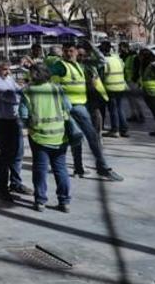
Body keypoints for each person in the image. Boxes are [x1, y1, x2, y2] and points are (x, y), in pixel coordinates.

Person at [50, 42, 124, 182]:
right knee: (89, 137)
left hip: (82, 105)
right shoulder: (60, 66)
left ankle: (79, 168)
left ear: (76, 52)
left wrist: (91, 46)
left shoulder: (79, 65)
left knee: (77, 137)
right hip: (72, 107)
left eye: (71, 50)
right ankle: (101, 168)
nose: (68, 53)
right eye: (65, 51)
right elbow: (52, 81)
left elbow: (101, 61)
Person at [19, 63, 73, 212]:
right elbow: (68, 107)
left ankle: (40, 201)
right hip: (60, 135)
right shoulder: (57, 88)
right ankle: (64, 202)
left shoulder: (28, 91)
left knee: (40, 169)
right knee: (60, 168)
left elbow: (23, 115)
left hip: (39, 136)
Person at [0, 55, 27, 201]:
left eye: (8, 69)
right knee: (6, 154)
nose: (7, 72)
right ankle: (2, 188)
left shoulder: (7, 77)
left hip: (13, 118)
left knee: (18, 152)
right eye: (4, 69)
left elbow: (17, 89)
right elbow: (10, 97)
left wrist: (21, 91)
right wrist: (23, 94)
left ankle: (16, 182)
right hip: (1, 120)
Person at [101, 41, 130, 137]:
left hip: (110, 88)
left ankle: (115, 130)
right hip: (120, 87)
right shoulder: (117, 59)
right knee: (120, 108)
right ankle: (124, 129)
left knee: (113, 110)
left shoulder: (104, 61)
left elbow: (101, 76)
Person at [120, 43, 147, 123]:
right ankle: (134, 114)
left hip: (132, 81)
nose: (120, 49)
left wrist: (135, 80)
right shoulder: (127, 56)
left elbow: (137, 70)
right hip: (128, 80)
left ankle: (140, 115)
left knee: (134, 99)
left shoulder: (134, 57)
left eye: (121, 47)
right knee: (131, 99)